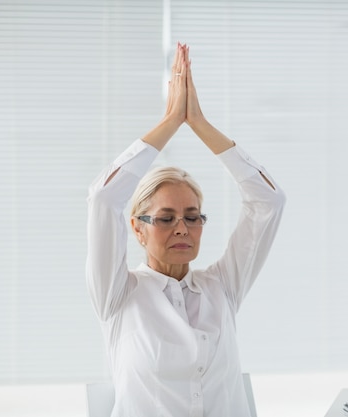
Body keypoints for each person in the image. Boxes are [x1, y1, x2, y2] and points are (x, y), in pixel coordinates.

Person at [86, 42, 286, 417]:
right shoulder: (118, 295)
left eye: (192, 216)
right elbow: (103, 198)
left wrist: (200, 124)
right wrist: (171, 122)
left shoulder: (221, 286)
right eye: (165, 218)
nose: (182, 228)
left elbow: (269, 202)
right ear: (138, 228)